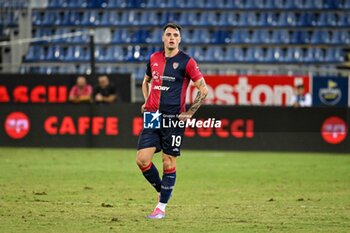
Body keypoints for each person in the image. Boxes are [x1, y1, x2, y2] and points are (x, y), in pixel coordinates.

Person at [135, 23, 208, 219]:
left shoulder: (187, 62)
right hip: (152, 115)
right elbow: (145, 81)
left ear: (180, 39)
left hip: (173, 118)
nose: (172, 38)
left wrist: (190, 112)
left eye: (175, 35)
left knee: (168, 161)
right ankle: (162, 190)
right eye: (168, 34)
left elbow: (204, 90)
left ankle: (161, 207)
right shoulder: (153, 58)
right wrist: (146, 100)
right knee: (142, 159)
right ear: (163, 38)